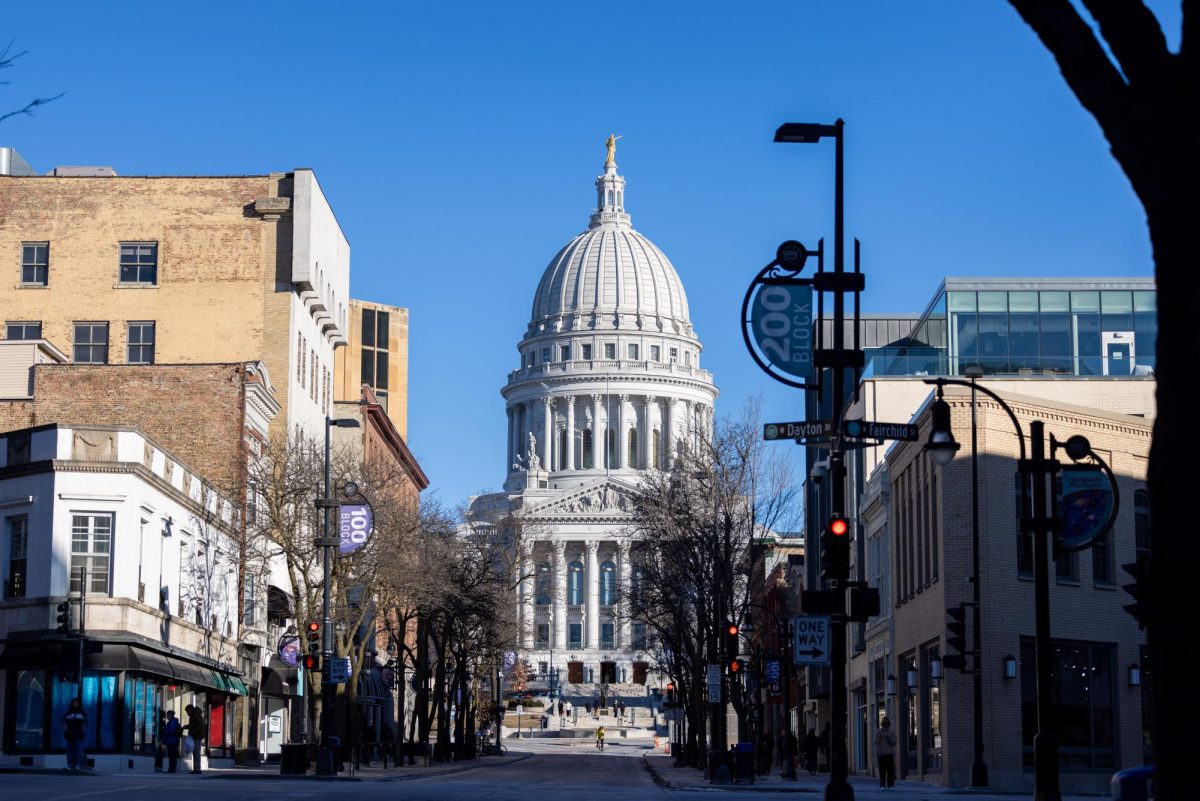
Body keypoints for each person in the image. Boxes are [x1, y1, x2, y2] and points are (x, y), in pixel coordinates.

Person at [63, 698, 87, 770]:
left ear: (79, 704)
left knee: (78, 750)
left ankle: (78, 764)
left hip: (79, 735)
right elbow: (64, 725)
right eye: (73, 703)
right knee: (70, 750)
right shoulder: (68, 713)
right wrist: (66, 732)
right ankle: (70, 764)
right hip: (69, 735)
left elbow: (85, 725)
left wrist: (82, 733)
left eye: (76, 702)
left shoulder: (82, 714)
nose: (75, 704)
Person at [874, 717, 897, 790]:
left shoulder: (891, 732)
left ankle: (890, 785)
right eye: (884, 724)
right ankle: (882, 785)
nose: (886, 726)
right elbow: (877, 743)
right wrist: (878, 752)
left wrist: (889, 738)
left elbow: (894, 742)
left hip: (890, 754)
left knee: (890, 771)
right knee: (882, 771)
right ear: (882, 724)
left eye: (887, 724)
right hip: (882, 754)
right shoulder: (879, 732)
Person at [184, 703, 206, 774]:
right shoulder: (194, 715)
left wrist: (192, 732)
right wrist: (186, 727)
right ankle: (196, 768)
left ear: (190, 710)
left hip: (197, 736)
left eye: (187, 712)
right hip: (195, 736)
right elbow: (193, 725)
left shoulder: (196, 715)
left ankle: (197, 769)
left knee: (196, 752)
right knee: (195, 752)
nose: (187, 713)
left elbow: (199, 726)